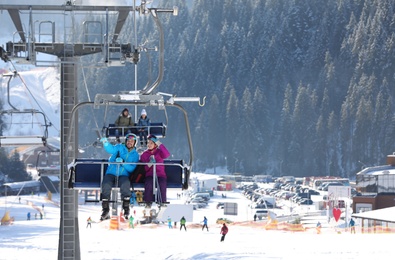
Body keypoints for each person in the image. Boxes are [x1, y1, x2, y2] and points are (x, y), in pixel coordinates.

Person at [100, 133, 139, 221]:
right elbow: (111, 149)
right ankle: (105, 209)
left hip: (123, 174)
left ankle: (126, 207)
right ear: (125, 141)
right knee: (106, 183)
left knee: (125, 184)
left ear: (134, 143)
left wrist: (123, 163)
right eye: (128, 141)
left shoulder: (135, 155)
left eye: (132, 141)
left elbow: (132, 168)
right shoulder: (119, 148)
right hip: (112, 172)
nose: (129, 143)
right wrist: (106, 142)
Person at [140, 134, 170, 207]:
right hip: (150, 175)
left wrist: (159, 143)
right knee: (148, 184)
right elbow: (143, 169)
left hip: (160, 174)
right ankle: (148, 202)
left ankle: (162, 202)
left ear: (155, 144)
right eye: (148, 143)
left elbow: (167, 154)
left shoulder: (159, 152)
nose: (149, 145)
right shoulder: (144, 155)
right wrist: (149, 164)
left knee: (162, 184)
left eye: (151, 143)